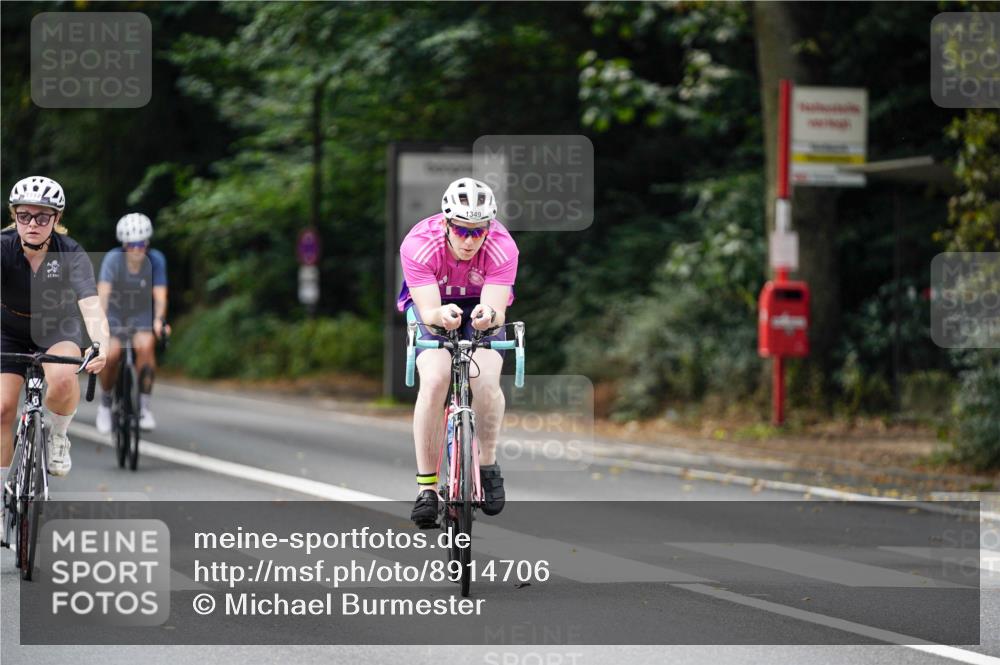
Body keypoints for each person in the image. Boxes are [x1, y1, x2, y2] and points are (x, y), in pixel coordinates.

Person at [397, 177, 518, 528]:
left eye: (478, 231)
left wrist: (487, 317)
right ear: (446, 223)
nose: (470, 239)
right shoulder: (419, 244)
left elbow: (495, 309)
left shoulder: (502, 246)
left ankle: (488, 463)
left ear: (489, 227)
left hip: (480, 305)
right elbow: (429, 310)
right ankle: (427, 489)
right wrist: (438, 316)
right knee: (435, 380)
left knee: (486, 381)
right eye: (462, 230)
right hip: (432, 303)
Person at [1, 176, 109, 479]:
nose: (32, 223)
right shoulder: (3, 247)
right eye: (24, 215)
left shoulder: (71, 253)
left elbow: (90, 305)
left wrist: (101, 344)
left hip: (56, 327)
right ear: (14, 216)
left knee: (63, 379)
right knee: (2, 409)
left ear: (56, 218)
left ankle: (59, 434)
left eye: (42, 216)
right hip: (8, 329)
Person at [95, 213, 169, 433]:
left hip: (141, 313)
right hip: (116, 313)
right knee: (111, 355)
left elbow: (160, 295)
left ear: (147, 243)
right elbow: (103, 295)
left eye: (141, 244)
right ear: (124, 245)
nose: (137, 249)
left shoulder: (156, 259)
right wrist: (99, 325)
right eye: (132, 245)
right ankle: (106, 403)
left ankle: (145, 406)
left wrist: (159, 320)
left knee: (145, 347)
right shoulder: (112, 259)